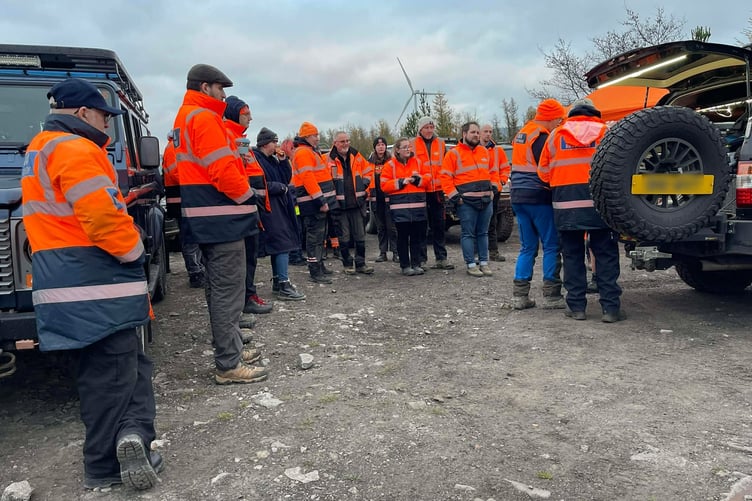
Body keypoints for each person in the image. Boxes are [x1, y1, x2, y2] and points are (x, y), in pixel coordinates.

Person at [21, 78, 162, 490]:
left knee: (126, 368)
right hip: (96, 282)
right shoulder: (75, 149)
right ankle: (104, 464)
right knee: (113, 373)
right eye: (104, 115)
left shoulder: (41, 149)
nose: (107, 124)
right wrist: (135, 249)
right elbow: (101, 217)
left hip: (69, 281)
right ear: (82, 113)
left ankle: (134, 437)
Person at [173, 64, 268, 384]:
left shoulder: (184, 118)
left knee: (218, 289)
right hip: (223, 217)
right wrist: (248, 195)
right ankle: (229, 363)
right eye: (219, 89)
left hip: (206, 217)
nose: (223, 95)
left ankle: (231, 349)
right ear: (205, 88)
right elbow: (222, 170)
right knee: (228, 290)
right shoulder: (203, 118)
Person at [538, 99, 625, 323]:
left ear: (572, 114)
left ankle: (576, 307)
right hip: (601, 205)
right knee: (605, 255)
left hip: (566, 205)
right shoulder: (606, 132)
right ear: (595, 113)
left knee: (572, 255)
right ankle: (610, 309)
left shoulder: (556, 135)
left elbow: (543, 172)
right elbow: (621, 165)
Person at [509, 98, 567, 310]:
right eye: (558, 119)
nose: (559, 123)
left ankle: (519, 296)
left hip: (518, 196)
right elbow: (546, 167)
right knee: (551, 245)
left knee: (527, 247)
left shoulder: (523, 133)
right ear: (551, 118)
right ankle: (552, 296)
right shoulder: (542, 137)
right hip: (538, 196)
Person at [222, 96, 273, 315]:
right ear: (234, 114)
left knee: (249, 257)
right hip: (242, 210)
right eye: (245, 113)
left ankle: (247, 297)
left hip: (252, 209)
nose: (250, 117)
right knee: (242, 260)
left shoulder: (240, 139)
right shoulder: (230, 138)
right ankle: (244, 301)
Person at [440, 121, 500, 277]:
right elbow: (445, 178)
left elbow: (494, 172)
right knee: (468, 234)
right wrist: (456, 197)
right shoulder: (453, 154)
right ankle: (471, 264)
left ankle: (484, 263)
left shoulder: (484, 152)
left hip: (486, 201)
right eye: (473, 132)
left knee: (483, 232)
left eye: (477, 132)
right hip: (466, 202)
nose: (476, 135)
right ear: (464, 134)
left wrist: (494, 189)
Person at [253, 127, 306, 300]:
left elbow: (285, 177)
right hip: (269, 208)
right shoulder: (256, 159)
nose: (277, 145)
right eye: (274, 142)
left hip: (279, 206)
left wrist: (283, 161)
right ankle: (284, 283)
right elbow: (262, 184)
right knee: (282, 244)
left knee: (280, 245)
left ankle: (278, 281)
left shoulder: (273, 160)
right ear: (265, 143)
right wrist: (281, 188)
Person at [291, 121, 339, 283]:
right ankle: (314, 270)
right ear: (306, 137)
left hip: (316, 203)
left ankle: (319, 265)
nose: (318, 138)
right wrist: (321, 200)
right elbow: (308, 178)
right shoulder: (303, 153)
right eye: (315, 135)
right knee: (314, 237)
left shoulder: (309, 151)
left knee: (320, 236)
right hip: (312, 204)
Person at [381, 137, 430, 275]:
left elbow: (428, 178)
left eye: (409, 146)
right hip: (400, 208)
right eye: (405, 147)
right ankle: (405, 265)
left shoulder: (418, 162)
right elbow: (384, 185)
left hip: (418, 207)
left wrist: (418, 180)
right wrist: (401, 182)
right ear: (397, 150)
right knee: (402, 237)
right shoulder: (390, 165)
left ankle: (416, 263)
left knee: (416, 237)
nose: (408, 149)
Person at [410, 116, 454, 270]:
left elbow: (448, 164)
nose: (429, 130)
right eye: (426, 127)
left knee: (439, 225)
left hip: (438, 191)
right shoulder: (412, 144)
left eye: (431, 127)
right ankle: (421, 260)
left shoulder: (441, 144)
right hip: (420, 191)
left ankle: (441, 258)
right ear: (420, 129)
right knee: (421, 226)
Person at [327, 131, 374, 275]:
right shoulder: (328, 159)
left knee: (360, 235)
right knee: (344, 237)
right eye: (342, 141)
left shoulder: (356, 155)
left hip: (357, 204)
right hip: (340, 206)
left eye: (348, 140)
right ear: (335, 143)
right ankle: (347, 264)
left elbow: (369, 172)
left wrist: (364, 185)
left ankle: (361, 264)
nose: (346, 143)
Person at [163, 131, 205, 287]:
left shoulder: (175, 148)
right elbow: (177, 173)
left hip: (183, 200)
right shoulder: (172, 149)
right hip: (182, 201)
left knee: (193, 237)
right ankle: (195, 273)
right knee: (191, 238)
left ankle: (198, 270)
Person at [480, 124, 510, 262]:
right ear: (479, 133)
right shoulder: (473, 150)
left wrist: (502, 181)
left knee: (492, 221)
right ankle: (478, 254)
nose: (488, 134)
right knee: (477, 223)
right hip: (477, 190)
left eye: (490, 132)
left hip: (494, 190)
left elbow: (505, 167)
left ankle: (493, 252)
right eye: (485, 131)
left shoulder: (498, 151)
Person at [367, 136, 398, 263]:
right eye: (378, 145)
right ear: (374, 147)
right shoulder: (370, 162)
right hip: (376, 199)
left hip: (390, 198)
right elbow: (367, 179)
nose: (381, 147)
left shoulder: (391, 161)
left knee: (392, 227)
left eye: (383, 144)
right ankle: (382, 252)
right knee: (381, 227)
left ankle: (396, 252)